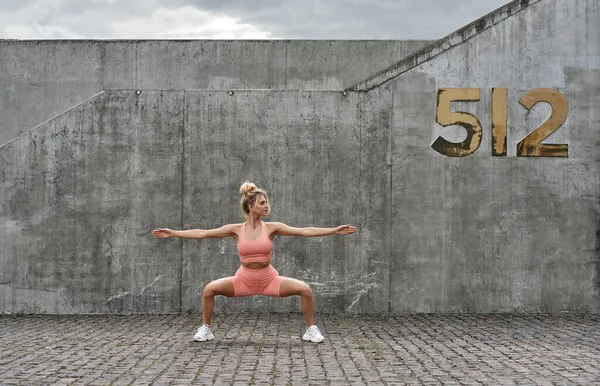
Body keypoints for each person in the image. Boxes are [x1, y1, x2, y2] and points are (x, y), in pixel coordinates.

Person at [152, 181, 357, 343]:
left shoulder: (271, 228)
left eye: (266, 201)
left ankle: (311, 329)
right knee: (209, 290)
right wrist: (173, 233)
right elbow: (203, 233)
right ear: (251, 207)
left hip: (269, 279)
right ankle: (205, 329)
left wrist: (334, 230)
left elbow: (303, 231)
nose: (267, 205)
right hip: (243, 280)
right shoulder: (235, 229)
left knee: (305, 290)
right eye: (262, 203)